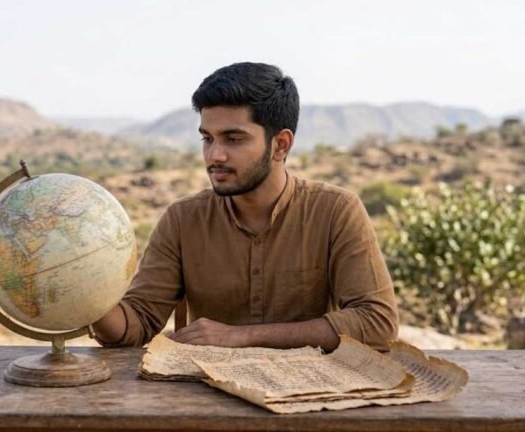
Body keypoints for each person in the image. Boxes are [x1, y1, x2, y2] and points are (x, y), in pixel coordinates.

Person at [92, 62, 398, 352]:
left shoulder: (335, 210)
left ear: (281, 145)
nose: (214, 155)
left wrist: (241, 337)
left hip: (309, 396)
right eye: (207, 138)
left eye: (233, 139)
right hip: (203, 398)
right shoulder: (183, 219)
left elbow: (377, 324)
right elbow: (137, 322)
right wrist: (82, 296)